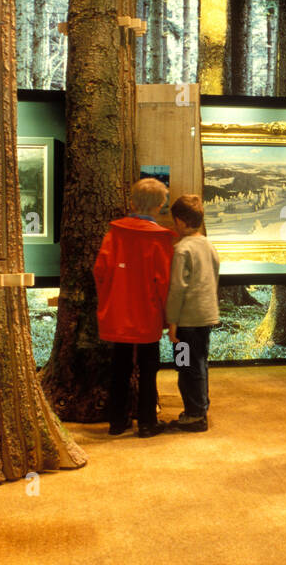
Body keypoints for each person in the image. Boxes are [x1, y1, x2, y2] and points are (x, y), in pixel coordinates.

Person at [93, 178, 174, 438]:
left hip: (118, 311)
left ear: (132, 202)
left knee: (119, 367)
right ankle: (148, 422)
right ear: (161, 205)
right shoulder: (161, 239)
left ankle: (117, 422)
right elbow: (164, 282)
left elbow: (101, 271)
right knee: (149, 369)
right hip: (148, 313)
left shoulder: (114, 234)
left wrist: (109, 299)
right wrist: (167, 316)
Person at [165, 194, 220, 432]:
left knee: (185, 365)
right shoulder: (208, 245)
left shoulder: (181, 250)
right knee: (199, 363)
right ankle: (200, 407)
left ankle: (194, 414)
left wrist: (172, 322)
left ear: (180, 221)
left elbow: (177, 288)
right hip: (206, 316)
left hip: (186, 321)